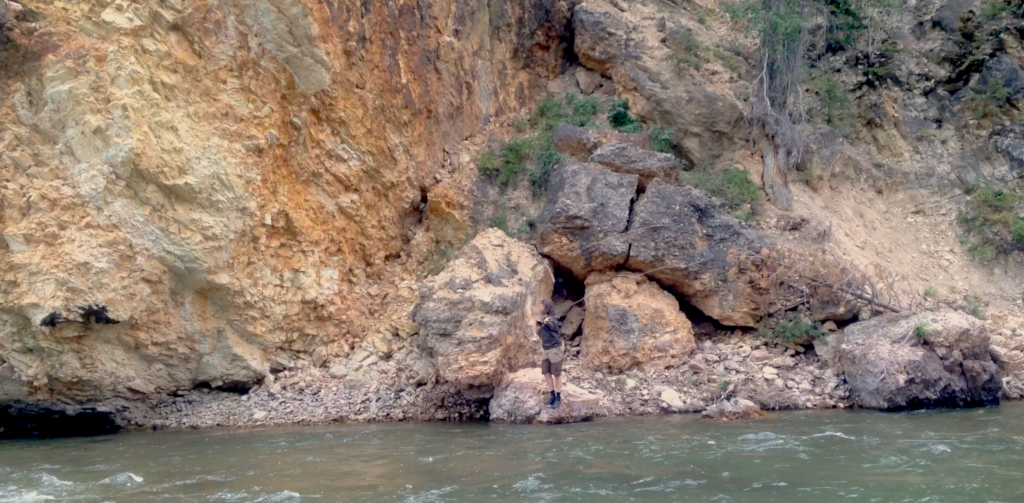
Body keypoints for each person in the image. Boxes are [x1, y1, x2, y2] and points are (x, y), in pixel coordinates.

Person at [537, 299, 564, 408]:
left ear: (546, 308)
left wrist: (548, 321)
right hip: (546, 348)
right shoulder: (544, 318)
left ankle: (558, 397)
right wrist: (542, 322)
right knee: (546, 372)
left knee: (556, 374)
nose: (539, 308)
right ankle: (552, 395)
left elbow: (553, 326)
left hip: (555, 349)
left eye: (541, 306)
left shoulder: (555, 318)